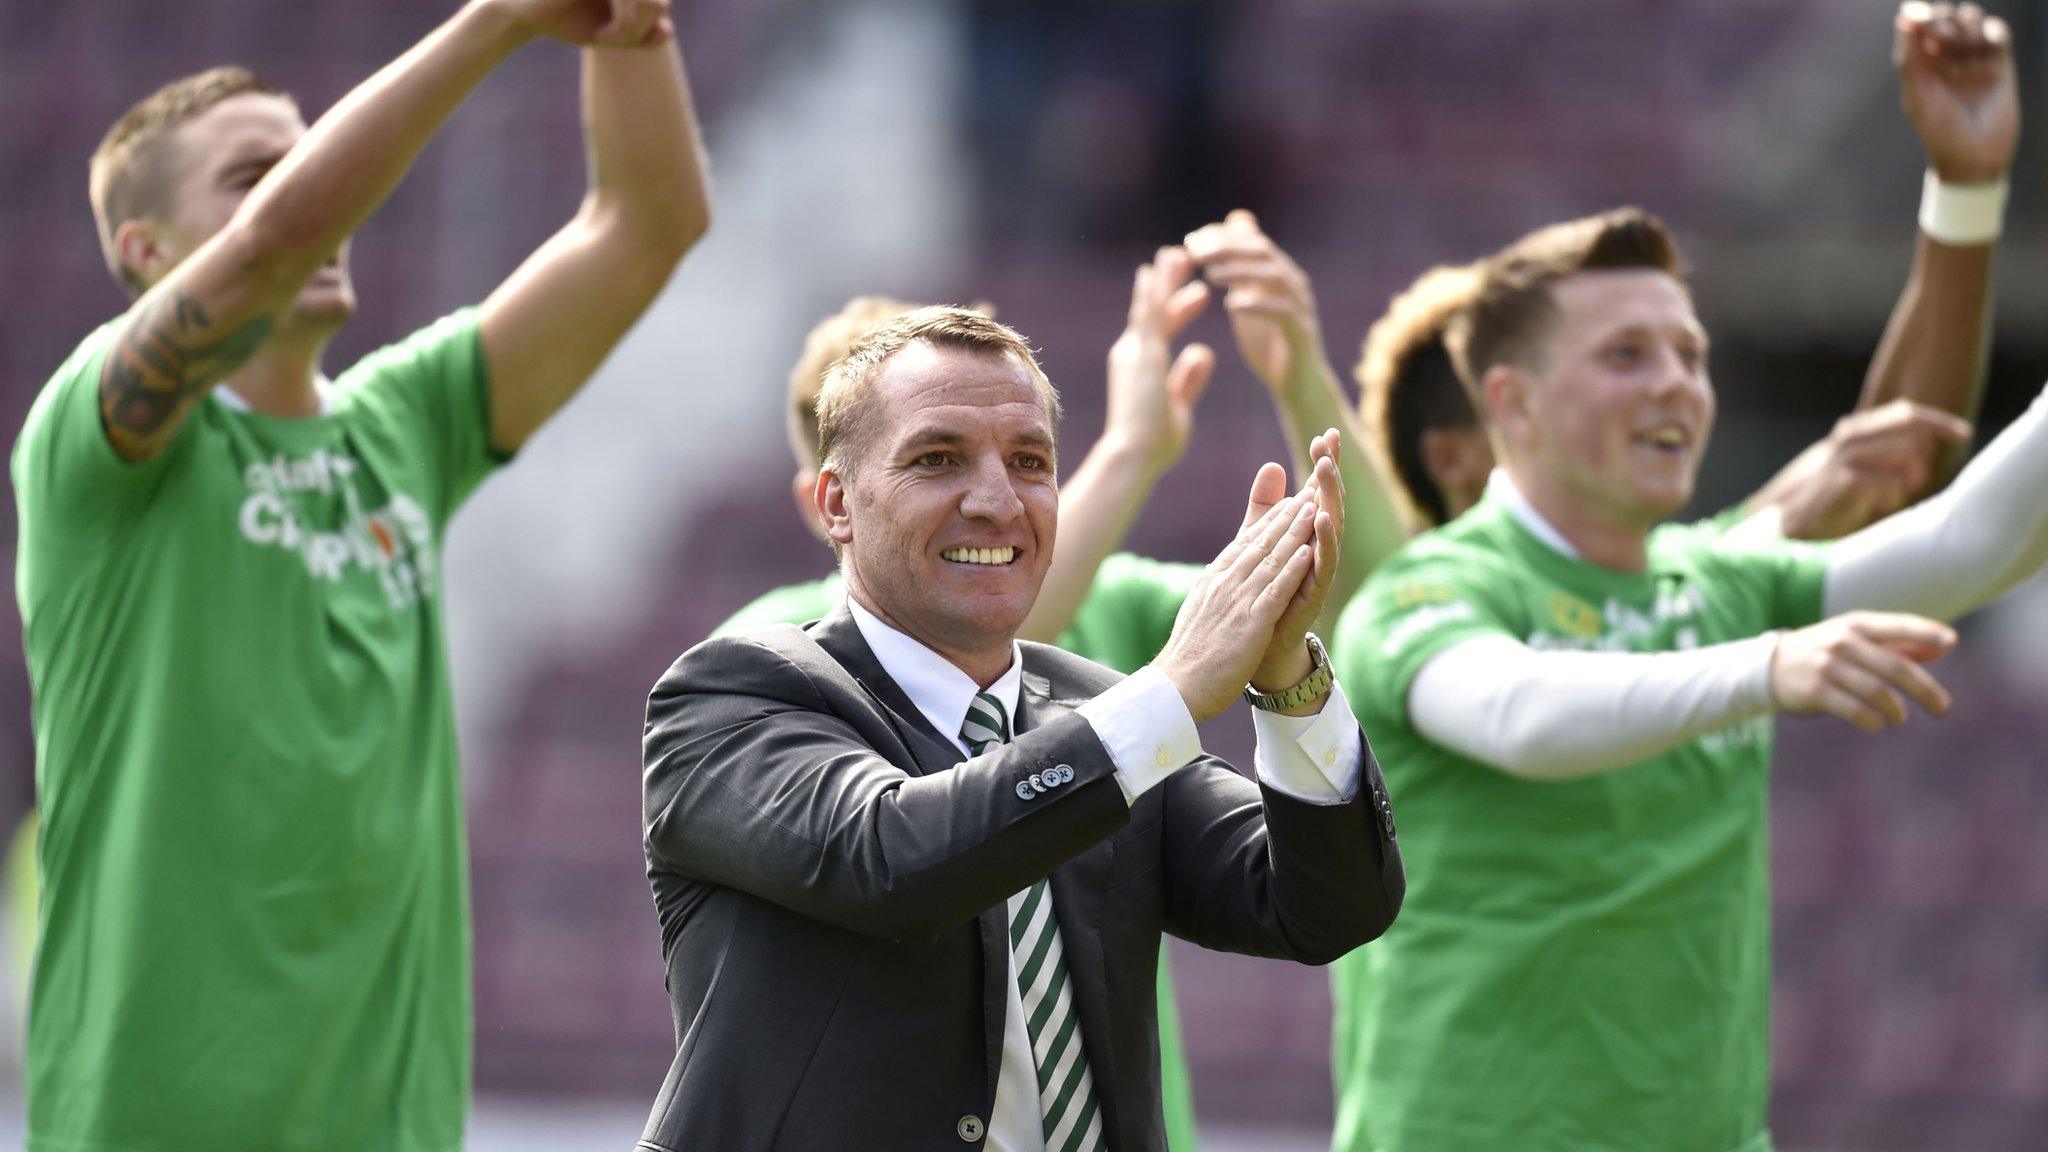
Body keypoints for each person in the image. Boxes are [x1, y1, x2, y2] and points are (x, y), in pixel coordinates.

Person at [9, 2, 708, 1149]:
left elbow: (647, 223)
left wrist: (625, 27)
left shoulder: (404, 422)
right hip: (153, 1123)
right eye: (254, 174)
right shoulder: (98, 440)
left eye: (315, 150)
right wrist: (497, 21)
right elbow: (286, 235)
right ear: (145, 251)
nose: (324, 192)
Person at [1329, 11, 2029, 1145]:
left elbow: (1968, 541)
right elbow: (1518, 714)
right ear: (1506, 406)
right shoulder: (1424, 594)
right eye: (1624, 356)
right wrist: (1764, 667)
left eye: (1690, 356)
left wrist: (1964, 194)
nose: (1675, 386)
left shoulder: (1721, 575)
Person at [642, 307, 1402, 1151]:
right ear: (837, 503)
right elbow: (895, 860)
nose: (998, 501)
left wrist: (1289, 676)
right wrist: (1172, 689)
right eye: (937, 459)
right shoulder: (731, 696)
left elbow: (1326, 908)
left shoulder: (1098, 710)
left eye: (1030, 462)